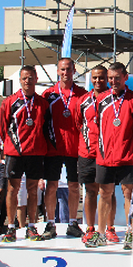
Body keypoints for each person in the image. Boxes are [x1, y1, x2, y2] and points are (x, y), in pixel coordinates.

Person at [86, 63, 133, 250]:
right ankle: (101, 234)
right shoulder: (101, 99)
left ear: (125, 77)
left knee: (129, 194)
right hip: (105, 156)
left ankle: (130, 232)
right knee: (104, 194)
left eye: (117, 77)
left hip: (127, 155)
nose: (113, 81)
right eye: (110, 78)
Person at [0, 65, 50, 242]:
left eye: (31, 77)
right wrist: (11, 146)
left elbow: (45, 127)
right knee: (12, 189)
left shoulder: (43, 103)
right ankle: (11, 227)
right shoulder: (10, 102)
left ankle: (32, 226)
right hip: (16, 153)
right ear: (19, 80)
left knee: (33, 190)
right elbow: (3, 128)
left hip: (35, 153)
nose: (27, 81)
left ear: (36, 79)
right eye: (24, 78)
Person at [42, 57, 87, 240]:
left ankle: (72, 222)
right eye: (62, 69)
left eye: (68, 69)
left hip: (74, 148)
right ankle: (51, 223)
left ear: (74, 70)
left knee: (74, 186)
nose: (65, 72)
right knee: (51, 186)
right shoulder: (48, 95)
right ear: (57, 71)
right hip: (53, 148)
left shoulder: (82, 94)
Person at [75, 65, 111, 244]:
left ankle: (109, 228)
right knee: (90, 191)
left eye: (101, 78)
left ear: (107, 78)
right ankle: (90, 228)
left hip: (108, 153)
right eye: (95, 78)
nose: (98, 81)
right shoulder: (83, 101)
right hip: (87, 153)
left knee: (108, 192)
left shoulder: (114, 99)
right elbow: (78, 124)